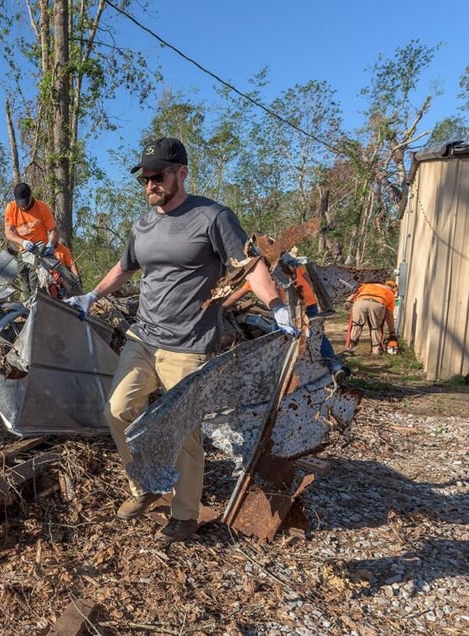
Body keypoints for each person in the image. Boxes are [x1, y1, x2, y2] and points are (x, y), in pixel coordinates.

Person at [65, 137, 299, 544]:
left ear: (181, 173)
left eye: (158, 176)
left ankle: (184, 516)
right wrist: (92, 295)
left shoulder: (212, 217)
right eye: (145, 178)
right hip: (144, 337)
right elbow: (125, 268)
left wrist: (277, 305)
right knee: (118, 410)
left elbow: (248, 267)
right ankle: (146, 486)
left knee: (185, 434)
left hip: (189, 345)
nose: (150, 184)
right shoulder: (143, 224)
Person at [4, 182, 59, 298]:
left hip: (40, 251)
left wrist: (51, 244)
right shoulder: (11, 208)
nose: (23, 207)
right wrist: (22, 242)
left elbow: (53, 230)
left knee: (35, 282)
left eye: (25, 203)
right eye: (21, 204)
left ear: (30, 196)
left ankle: (37, 307)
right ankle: (27, 308)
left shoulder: (42, 208)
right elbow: (8, 233)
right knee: (24, 281)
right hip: (23, 251)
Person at [345, 280, 397, 355]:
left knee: (356, 326)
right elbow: (389, 316)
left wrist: (349, 301)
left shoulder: (367, 285)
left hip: (360, 302)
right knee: (376, 328)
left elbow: (355, 292)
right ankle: (376, 350)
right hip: (377, 304)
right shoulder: (390, 293)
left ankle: (350, 349)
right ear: (393, 289)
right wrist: (392, 333)